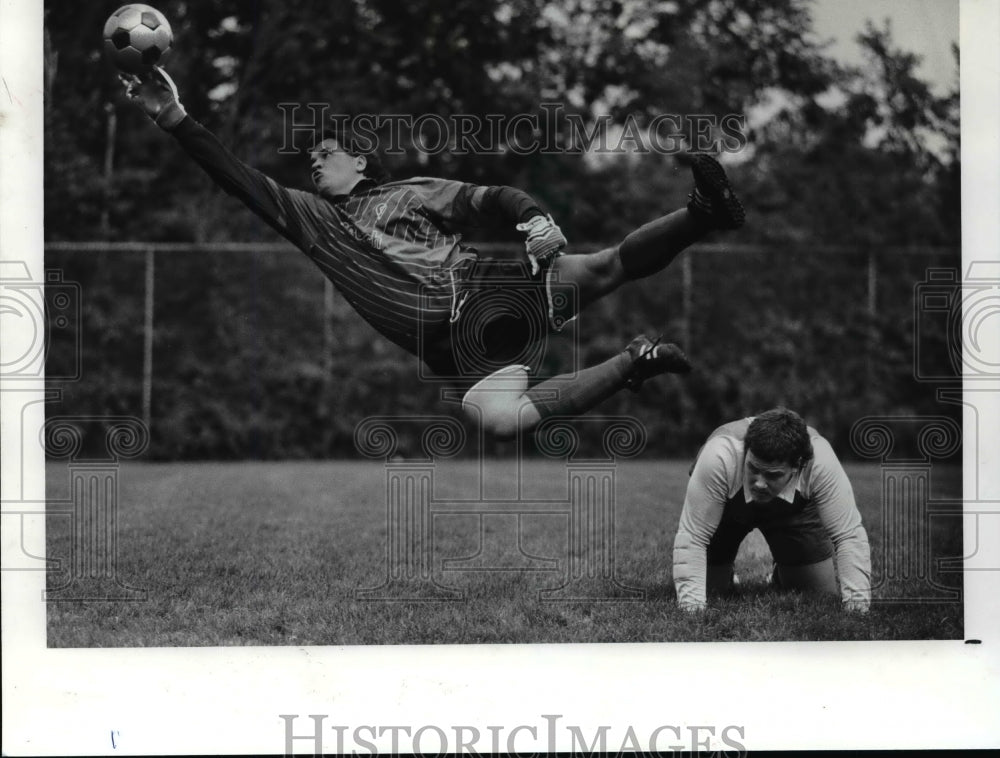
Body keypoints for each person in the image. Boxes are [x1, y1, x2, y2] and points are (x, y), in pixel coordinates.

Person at [121, 67, 746, 438]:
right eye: (310, 156)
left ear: (360, 160)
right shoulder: (310, 219)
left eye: (327, 152)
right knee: (502, 422)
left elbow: (494, 195)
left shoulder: (409, 192)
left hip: (482, 297)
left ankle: (701, 212)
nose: (313, 159)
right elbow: (234, 175)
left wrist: (533, 218)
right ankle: (635, 359)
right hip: (458, 348)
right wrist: (175, 117)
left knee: (604, 267)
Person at [673, 407, 871, 613]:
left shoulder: (820, 461)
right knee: (712, 590)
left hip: (793, 512)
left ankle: (781, 572)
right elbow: (693, 537)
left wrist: (858, 607)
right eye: (753, 469)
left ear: (798, 466)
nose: (759, 483)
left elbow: (848, 534)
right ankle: (724, 570)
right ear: (746, 452)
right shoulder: (720, 456)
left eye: (772, 475)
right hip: (728, 508)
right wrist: (691, 608)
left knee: (817, 595)